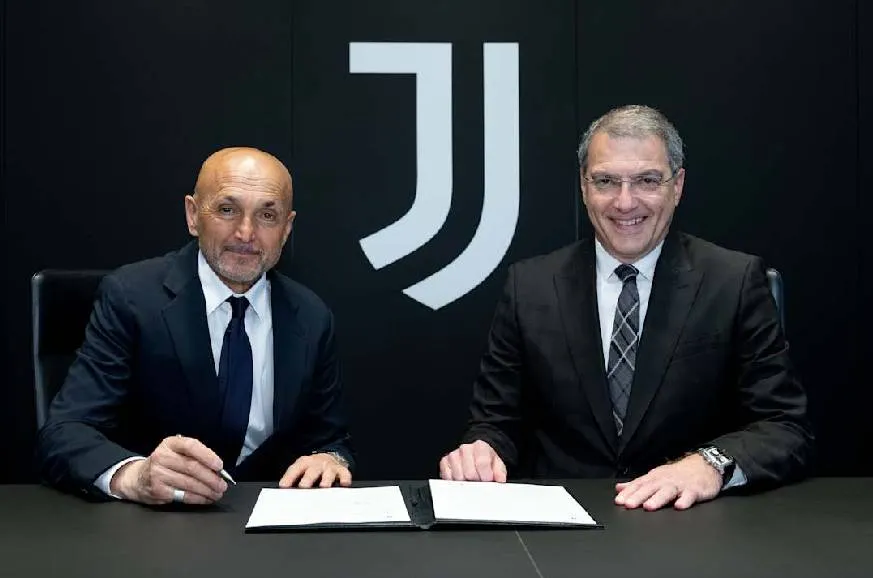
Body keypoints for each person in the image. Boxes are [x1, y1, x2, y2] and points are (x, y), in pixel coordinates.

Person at [439, 105, 813, 511]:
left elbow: (784, 426)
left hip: (692, 523)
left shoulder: (733, 282)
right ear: (584, 187)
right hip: (565, 526)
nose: (625, 202)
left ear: (677, 186)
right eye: (606, 181)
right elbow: (496, 422)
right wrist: (481, 450)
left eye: (647, 181)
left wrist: (709, 464)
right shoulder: (530, 286)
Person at [37, 147, 353, 505]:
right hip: (155, 524)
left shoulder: (311, 316)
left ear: (286, 229)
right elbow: (65, 432)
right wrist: (134, 476)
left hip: (267, 524)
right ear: (193, 215)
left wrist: (330, 458)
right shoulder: (132, 297)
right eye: (227, 210)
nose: (246, 232)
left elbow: (330, 438)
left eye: (267, 215)